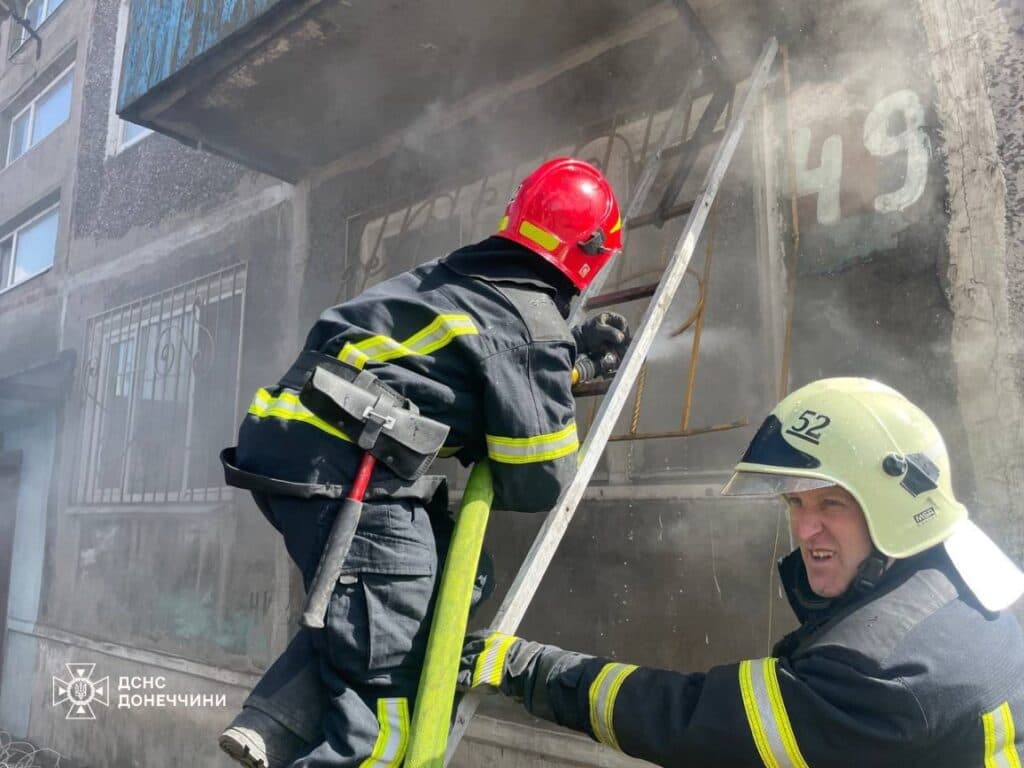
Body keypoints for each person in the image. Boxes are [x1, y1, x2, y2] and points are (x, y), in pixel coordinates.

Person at [217, 157, 632, 768]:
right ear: (590, 254)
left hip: (292, 447)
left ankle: (276, 721)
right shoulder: (530, 324)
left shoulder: (456, 277)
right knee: (389, 691)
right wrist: (560, 366)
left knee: (430, 589)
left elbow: (462, 373)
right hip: (353, 471)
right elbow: (538, 477)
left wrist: (565, 364)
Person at [459, 377, 1024, 767]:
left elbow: (690, 723)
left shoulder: (876, 670)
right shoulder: (957, 581)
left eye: (831, 504)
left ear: (894, 510)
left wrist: (531, 668)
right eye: (795, 503)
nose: (804, 529)